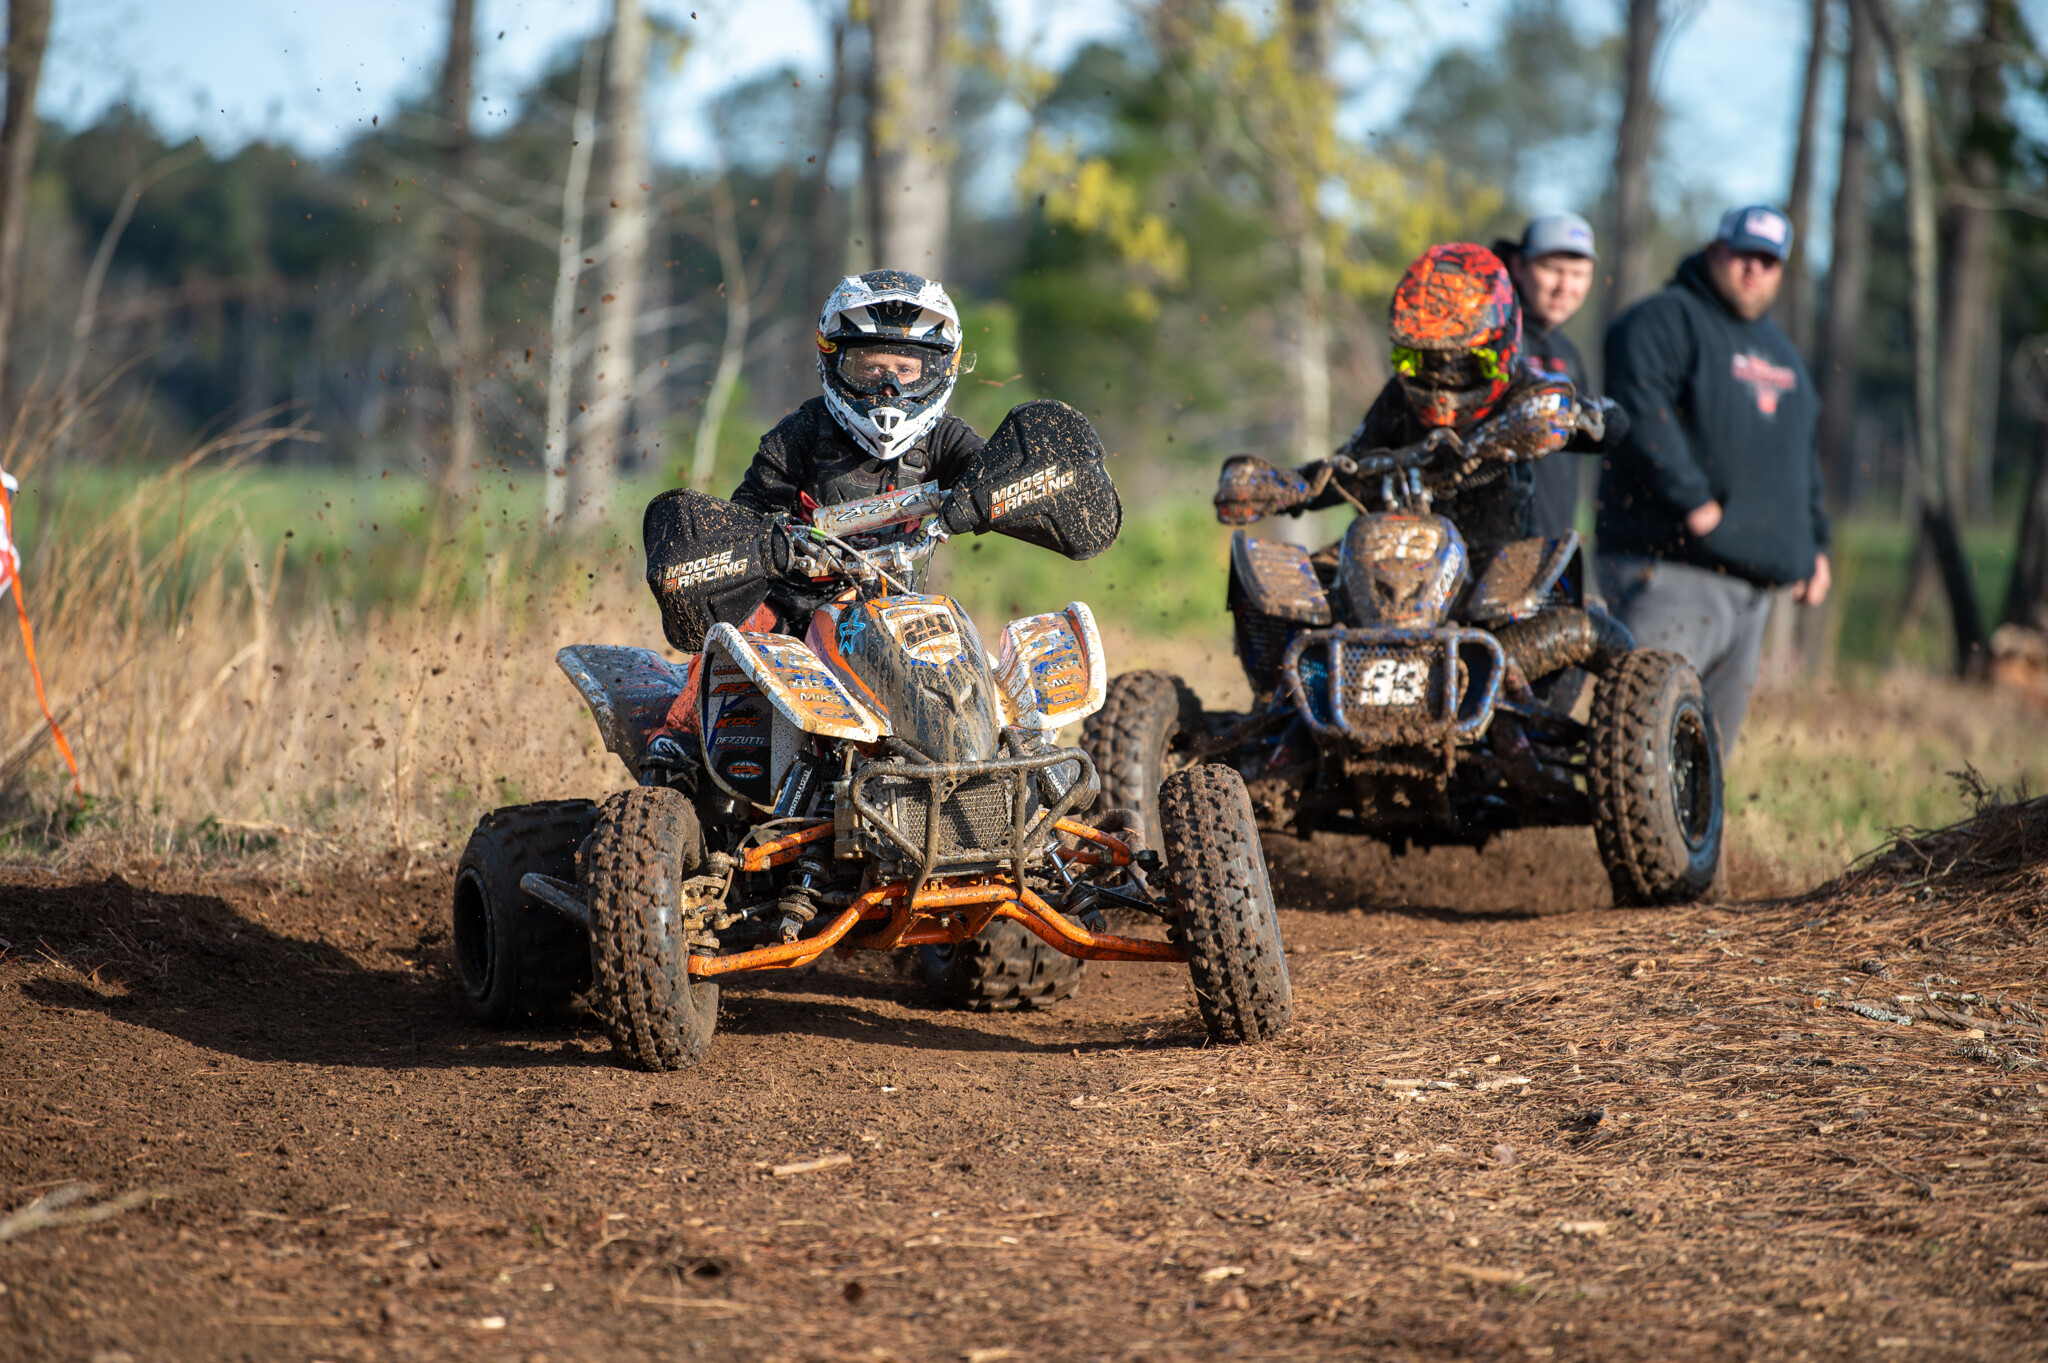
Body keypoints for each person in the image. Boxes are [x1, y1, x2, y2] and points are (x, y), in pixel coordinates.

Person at [1596, 205, 1831, 759]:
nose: (1754, 271)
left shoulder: (1782, 353)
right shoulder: (1663, 320)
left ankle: (1696, 849)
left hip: (1752, 590)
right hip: (1671, 568)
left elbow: (1801, 455)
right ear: (1714, 249)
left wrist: (1815, 544)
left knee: (1706, 766)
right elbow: (1639, 406)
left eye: (1768, 262)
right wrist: (1693, 498)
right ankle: (1591, 846)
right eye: (1743, 254)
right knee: (1640, 747)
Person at [1318, 242, 1623, 565]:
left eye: (1464, 361)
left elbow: (1613, 421)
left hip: (1503, 571)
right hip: (1402, 564)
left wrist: (1571, 417)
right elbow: (1341, 469)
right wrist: (1284, 487)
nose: (1444, 377)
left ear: (1500, 344)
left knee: (1573, 615)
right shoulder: (1399, 398)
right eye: (1426, 360)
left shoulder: (1521, 388)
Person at [1494, 213, 1599, 541]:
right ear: (1518, 267)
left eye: (1578, 274)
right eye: (1552, 270)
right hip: (1494, 545)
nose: (1565, 287)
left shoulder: (1567, 351)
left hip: (1550, 545)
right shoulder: (1492, 337)